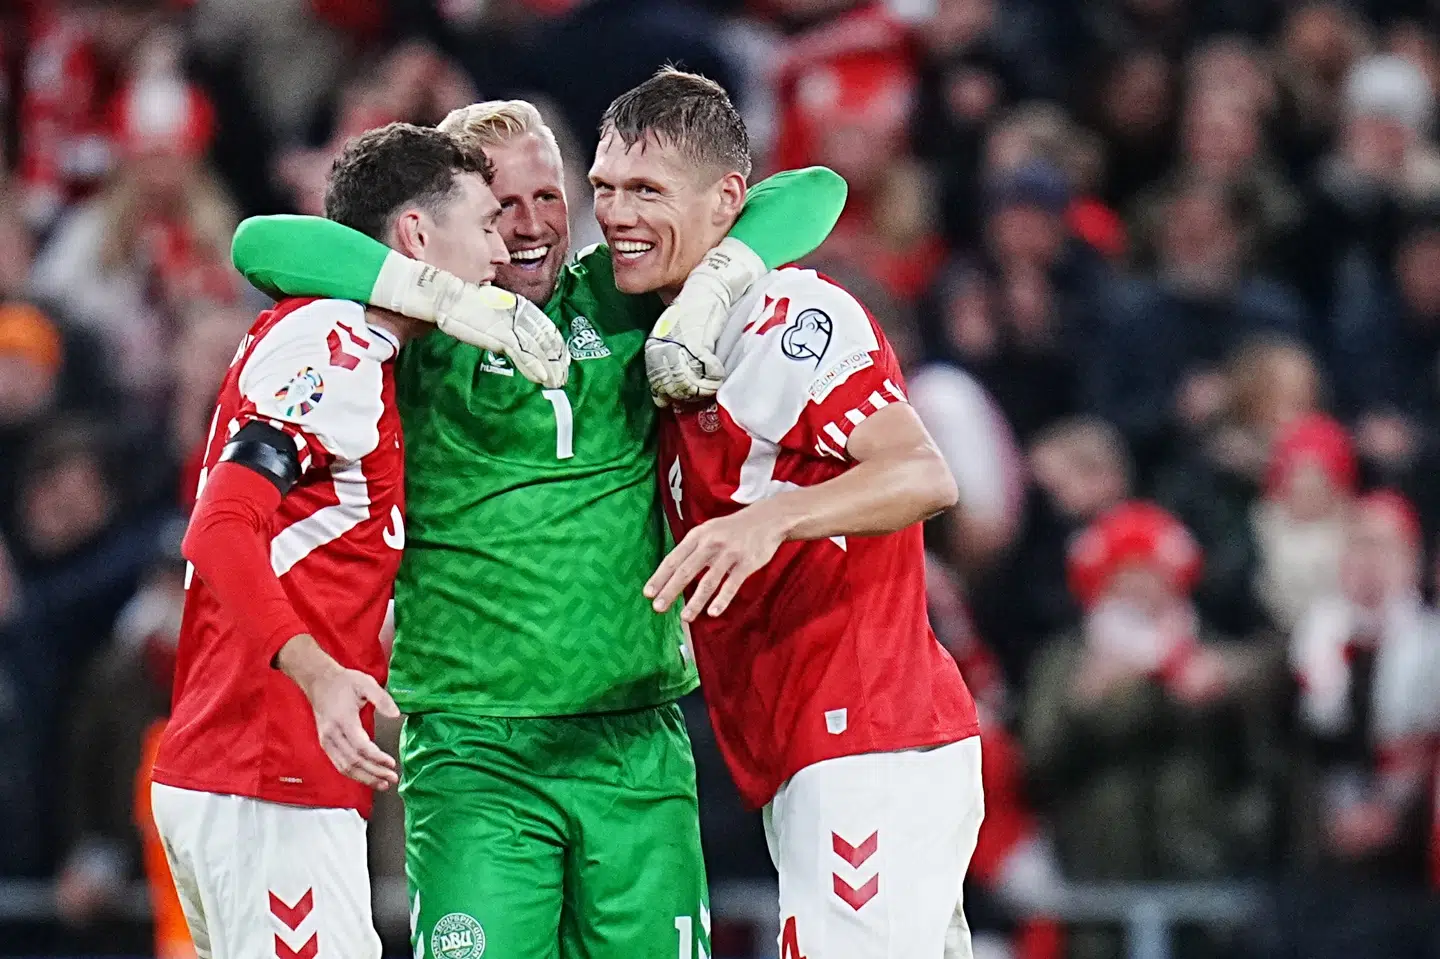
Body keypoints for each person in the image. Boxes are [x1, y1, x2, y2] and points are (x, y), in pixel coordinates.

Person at [227, 100, 847, 958]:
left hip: (633, 737)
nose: (530, 227)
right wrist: (442, 298)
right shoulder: (413, 334)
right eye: (501, 206)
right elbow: (258, 242)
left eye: (549, 197)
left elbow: (816, 192)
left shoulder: (620, 299)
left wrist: (714, 287)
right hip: (476, 748)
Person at [148, 122, 567, 959]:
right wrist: (318, 671)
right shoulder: (334, 345)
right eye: (484, 223)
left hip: (262, 772)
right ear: (416, 234)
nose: (499, 251)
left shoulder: (355, 345)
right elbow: (223, 527)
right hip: (266, 768)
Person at [595, 68, 982, 959]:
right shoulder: (662, 334)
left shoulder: (793, 314)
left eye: (647, 191)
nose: (617, 214)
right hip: (801, 748)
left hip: (868, 736)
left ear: (728, 199)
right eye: (607, 189)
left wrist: (769, 519)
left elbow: (921, 473)